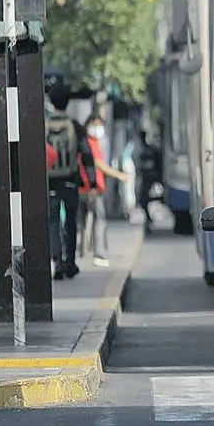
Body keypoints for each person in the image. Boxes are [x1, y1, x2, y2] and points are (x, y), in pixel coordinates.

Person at [45, 84, 95, 280]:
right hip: (70, 182)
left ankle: (56, 262)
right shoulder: (75, 125)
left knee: (53, 222)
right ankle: (70, 262)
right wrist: (90, 183)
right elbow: (87, 155)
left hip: (49, 182)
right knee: (71, 223)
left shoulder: (44, 125)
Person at [79, 114, 130, 267]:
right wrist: (119, 175)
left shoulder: (89, 142)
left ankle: (84, 250)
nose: (97, 128)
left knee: (85, 221)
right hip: (92, 188)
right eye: (95, 125)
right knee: (98, 219)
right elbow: (99, 164)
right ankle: (98, 253)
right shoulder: (90, 143)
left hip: (85, 187)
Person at [135, 131, 163, 233]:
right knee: (143, 200)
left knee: (146, 199)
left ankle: (149, 219)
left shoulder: (152, 150)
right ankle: (148, 219)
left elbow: (159, 164)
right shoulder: (141, 151)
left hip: (153, 178)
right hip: (146, 178)